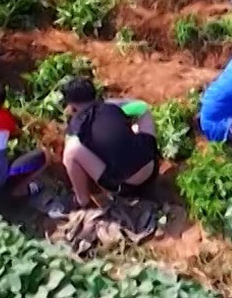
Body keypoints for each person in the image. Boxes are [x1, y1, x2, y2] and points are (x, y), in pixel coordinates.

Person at [60, 78, 159, 208]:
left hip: (127, 187)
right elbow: (141, 106)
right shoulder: (112, 105)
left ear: (72, 106)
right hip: (152, 168)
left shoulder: (75, 126)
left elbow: (72, 151)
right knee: (143, 113)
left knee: (71, 151)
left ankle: (81, 199)